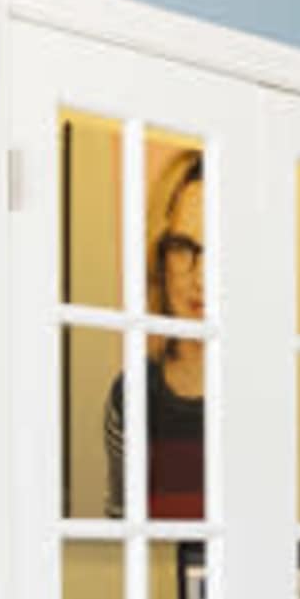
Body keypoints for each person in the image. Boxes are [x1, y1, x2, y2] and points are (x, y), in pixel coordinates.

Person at [101, 150, 206, 521]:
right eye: (183, 249)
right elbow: (120, 530)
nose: (201, 278)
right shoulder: (130, 395)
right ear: (159, 257)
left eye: (218, 252)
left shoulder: (260, 388)